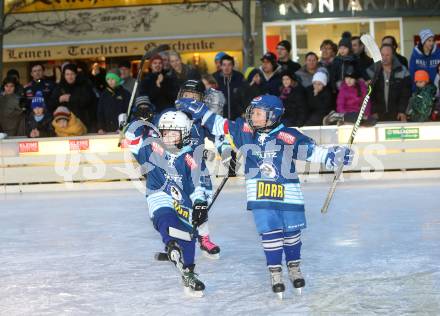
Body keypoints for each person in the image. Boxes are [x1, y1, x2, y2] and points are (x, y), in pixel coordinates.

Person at [176, 94, 353, 298]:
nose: (253, 116)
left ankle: (294, 267)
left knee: (292, 236)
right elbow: (220, 125)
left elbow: (312, 152)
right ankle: (275, 272)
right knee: (270, 235)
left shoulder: (287, 135)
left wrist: (334, 156)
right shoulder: (245, 131)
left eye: (258, 113)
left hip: (289, 196)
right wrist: (201, 111)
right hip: (261, 197)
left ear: (273, 116)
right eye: (252, 112)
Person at [123, 109, 208, 297]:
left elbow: (196, 185)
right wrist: (138, 121)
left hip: (182, 200)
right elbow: (131, 137)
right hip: (158, 193)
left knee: (188, 236)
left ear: (184, 134)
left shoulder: (189, 158)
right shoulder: (151, 147)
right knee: (165, 217)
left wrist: (200, 203)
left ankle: (189, 270)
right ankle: (171, 245)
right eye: (165, 132)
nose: (168, 137)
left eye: (173, 133)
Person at [175, 80, 221, 258]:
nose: (190, 101)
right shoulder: (172, 116)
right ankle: (179, 238)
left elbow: (218, 137)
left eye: (194, 98)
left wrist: (227, 155)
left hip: (198, 170)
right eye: (186, 96)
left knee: (201, 203)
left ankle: (204, 238)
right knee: (179, 204)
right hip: (177, 169)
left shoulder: (203, 120)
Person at [367, 44, 411, 122]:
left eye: (387, 55)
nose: (384, 58)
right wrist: (373, 111)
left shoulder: (402, 71)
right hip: (377, 115)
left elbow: (405, 93)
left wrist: (402, 111)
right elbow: (370, 94)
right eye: (382, 55)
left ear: (393, 55)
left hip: (397, 115)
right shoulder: (371, 71)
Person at [49, 63, 97, 131]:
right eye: (67, 74)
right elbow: (50, 104)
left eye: (72, 74)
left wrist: (70, 98)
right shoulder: (59, 87)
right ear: (64, 75)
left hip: (83, 123)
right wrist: (59, 100)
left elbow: (88, 101)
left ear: (76, 74)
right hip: (64, 126)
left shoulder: (84, 85)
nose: (70, 76)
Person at [97, 69, 130, 134]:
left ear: (118, 79)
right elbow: (100, 112)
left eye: (113, 79)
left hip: (122, 131)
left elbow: (128, 112)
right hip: (106, 130)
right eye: (108, 79)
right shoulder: (104, 94)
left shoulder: (125, 94)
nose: (110, 81)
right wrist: (101, 127)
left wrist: (122, 128)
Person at [213, 54, 245, 120]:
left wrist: (243, 112)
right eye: (224, 65)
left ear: (233, 66)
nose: (226, 68)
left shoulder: (239, 77)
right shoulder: (214, 78)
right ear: (221, 66)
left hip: (237, 118)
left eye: (229, 65)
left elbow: (245, 96)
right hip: (219, 118)